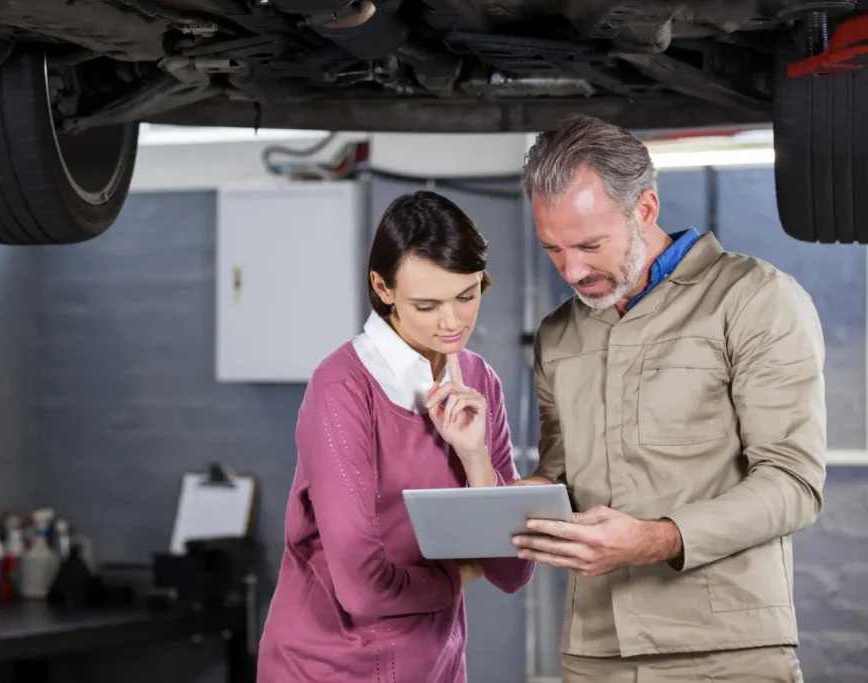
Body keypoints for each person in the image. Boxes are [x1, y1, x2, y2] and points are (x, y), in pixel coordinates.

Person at [512, 114, 826, 682]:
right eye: (552, 249)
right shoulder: (558, 334)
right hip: (596, 650)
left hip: (727, 650)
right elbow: (561, 478)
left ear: (646, 209)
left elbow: (794, 484)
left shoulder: (753, 299)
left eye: (589, 245)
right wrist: (513, 496)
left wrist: (655, 539)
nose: (572, 270)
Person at [257, 190, 536, 683]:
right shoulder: (342, 387)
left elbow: (511, 573)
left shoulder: (478, 380)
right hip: (326, 668)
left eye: (467, 296)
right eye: (427, 305)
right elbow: (362, 587)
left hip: (434, 663)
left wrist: (474, 455)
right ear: (382, 288)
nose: (452, 322)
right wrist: (455, 576)